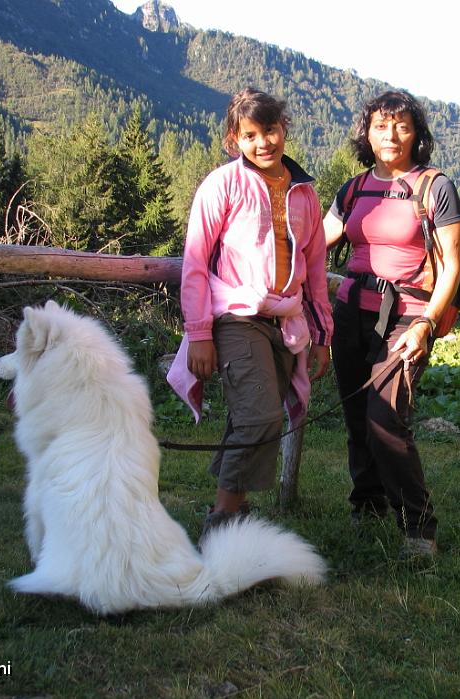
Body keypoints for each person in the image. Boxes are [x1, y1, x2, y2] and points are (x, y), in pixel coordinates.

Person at [169, 88, 333, 536]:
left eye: (272, 131)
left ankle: (233, 513)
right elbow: (196, 261)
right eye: (251, 135)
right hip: (236, 316)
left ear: (285, 130)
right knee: (261, 416)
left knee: (252, 417)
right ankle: (222, 522)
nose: (264, 143)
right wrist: (200, 332)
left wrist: (321, 334)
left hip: (286, 320)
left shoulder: (304, 195)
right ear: (233, 140)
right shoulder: (222, 185)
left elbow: (316, 269)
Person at [323, 90, 460, 558]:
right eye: (381, 126)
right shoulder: (354, 188)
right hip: (350, 311)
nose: (391, 135)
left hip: (407, 316)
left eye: (402, 126)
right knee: (356, 418)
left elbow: (451, 267)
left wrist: (426, 323)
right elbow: (314, 243)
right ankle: (367, 508)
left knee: (386, 421)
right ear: (367, 132)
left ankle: (419, 530)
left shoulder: (434, 186)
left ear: (416, 134)